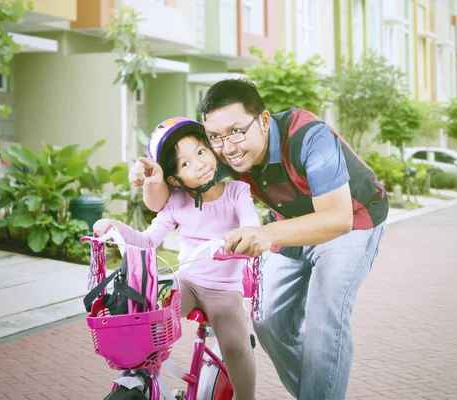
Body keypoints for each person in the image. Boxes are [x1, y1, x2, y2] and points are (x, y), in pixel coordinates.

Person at [129, 79, 388, 400]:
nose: (228, 147)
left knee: (324, 325)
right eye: (216, 137)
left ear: (264, 121)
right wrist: (147, 178)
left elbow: (336, 218)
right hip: (290, 222)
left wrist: (262, 234)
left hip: (352, 219)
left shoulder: (309, 136)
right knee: (267, 322)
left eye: (237, 131)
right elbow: (178, 180)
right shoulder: (223, 153)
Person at [94, 117, 258, 400]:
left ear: (211, 150)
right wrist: (117, 228)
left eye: (201, 152)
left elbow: (251, 224)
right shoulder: (176, 201)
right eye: (185, 164)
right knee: (146, 316)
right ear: (174, 179)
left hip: (223, 289)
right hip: (188, 283)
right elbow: (148, 240)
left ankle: (246, 397)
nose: (199, 163)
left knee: (235, 345)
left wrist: (241, 236)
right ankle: (138, 375)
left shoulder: (237, 192)